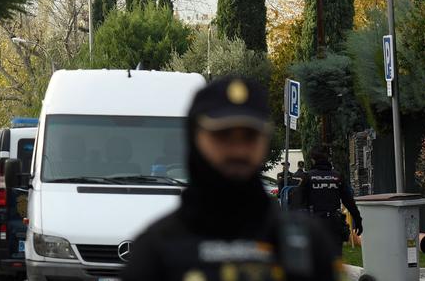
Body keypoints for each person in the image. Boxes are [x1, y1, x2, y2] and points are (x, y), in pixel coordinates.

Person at [122, 77, 342, 281]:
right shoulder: (155, 249)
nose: (238, 150)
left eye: (250, 136)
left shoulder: (308, 243)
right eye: (222, 135)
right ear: (195, 137)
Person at [303, 146, 363, 256]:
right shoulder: (337, 176)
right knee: (335, 259)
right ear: (328, 159)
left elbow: (297, 203)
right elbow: (349, 201)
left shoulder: (308, 177)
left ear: (312, 159)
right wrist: (358, 220)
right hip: (334, 223)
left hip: (315, 223)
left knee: (316, 259)